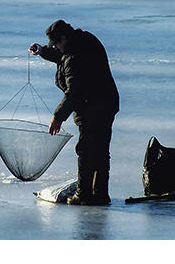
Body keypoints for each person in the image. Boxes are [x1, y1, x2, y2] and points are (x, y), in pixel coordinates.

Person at [29, 20, 119, 205]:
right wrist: (42, 51)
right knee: (100, 149)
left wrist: (58, 117)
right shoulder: (82, 40)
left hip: (93, 106)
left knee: (86, 150)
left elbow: (74, 92)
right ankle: (100, 194)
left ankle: (84, 194)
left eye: (56, 44)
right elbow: (62, 55)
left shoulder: (74, 57)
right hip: (106, 102)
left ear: (63, 38)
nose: (56, 47)